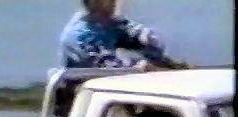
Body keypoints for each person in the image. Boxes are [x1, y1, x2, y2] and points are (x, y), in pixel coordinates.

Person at [59, 0, 188, 70]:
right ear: (93, 2)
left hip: (108, 89)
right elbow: (107, 67)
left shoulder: (108, 23)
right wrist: (138, 66)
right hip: (82, 96)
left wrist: (147, 37)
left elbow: (134, 33)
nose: (115, 3)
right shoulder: (79, 35)